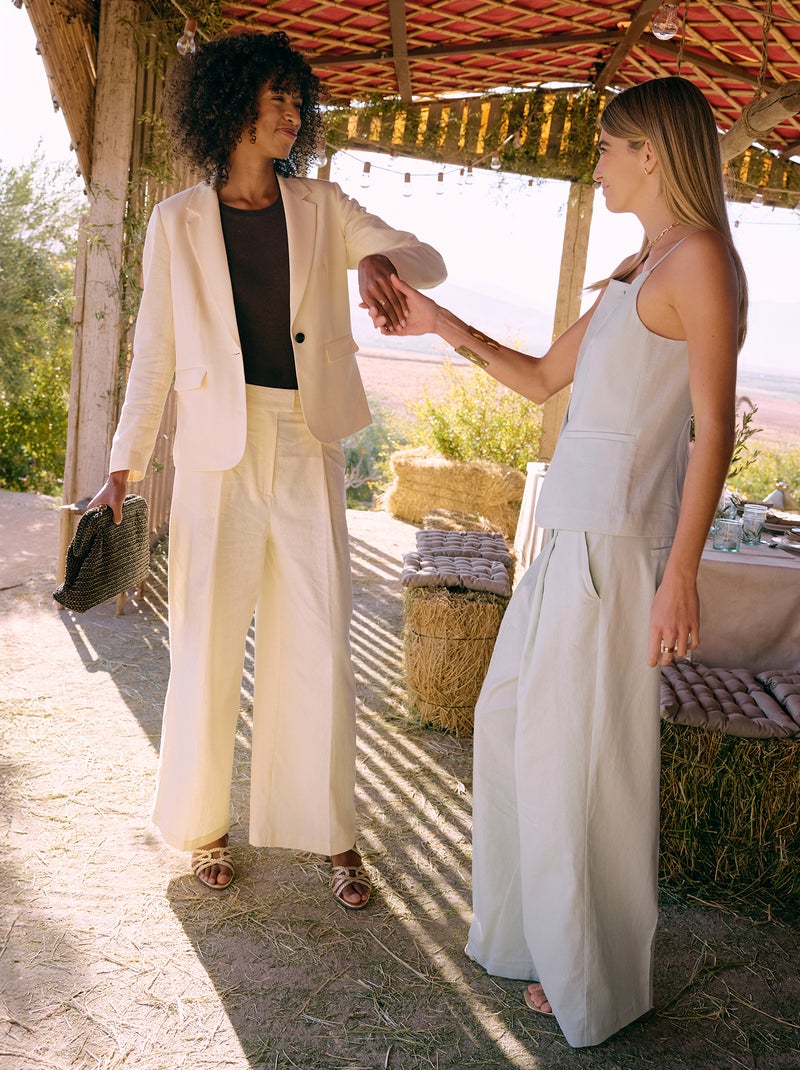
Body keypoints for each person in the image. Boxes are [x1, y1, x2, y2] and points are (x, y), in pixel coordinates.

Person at [370, 76, 746, 1043]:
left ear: (652, 153)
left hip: (617, 551)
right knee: (508, 733)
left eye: (611, 147)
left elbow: (711, 435)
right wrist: (434, 322)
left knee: (585, 763)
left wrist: (680, 573)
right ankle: (539, 939)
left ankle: (598, 981)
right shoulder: (640, 265)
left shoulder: (701, 260)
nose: (600, 160)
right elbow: (541, 376)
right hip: (563, 544)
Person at [88, 30, 446, 906]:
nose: (292, 114)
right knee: (207, 638)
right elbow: (154, 354)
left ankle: (330, 836)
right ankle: (204, 827)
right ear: (230, 106)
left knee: (319, 637)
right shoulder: (177, 221)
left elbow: (427, 257)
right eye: (276, 98)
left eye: (297, 99)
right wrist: (122, 467)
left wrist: (378, 261)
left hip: (307, 439)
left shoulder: (325, 206)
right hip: (215, 451)